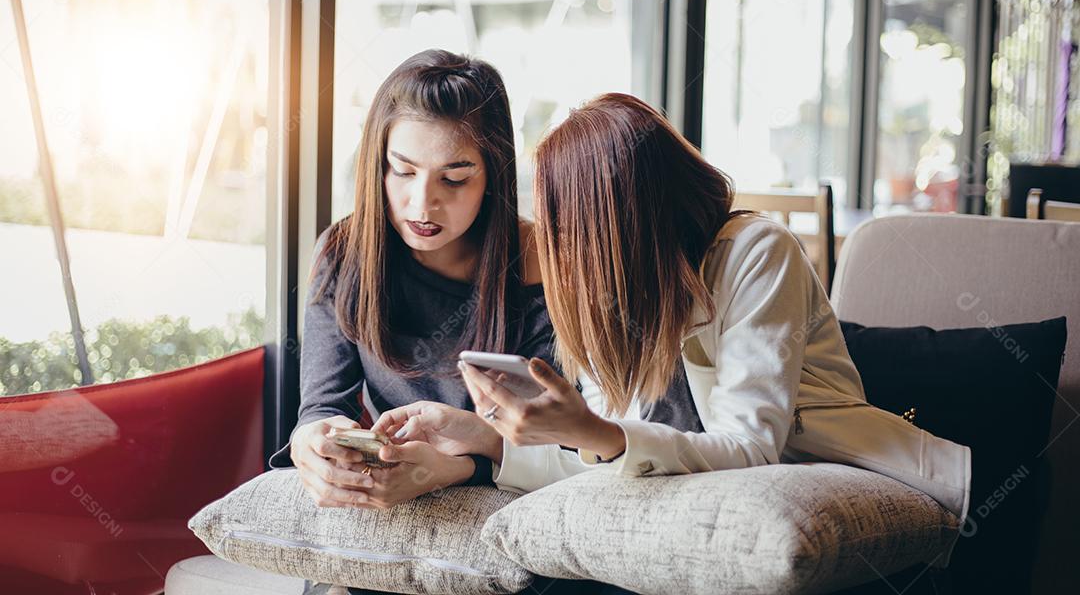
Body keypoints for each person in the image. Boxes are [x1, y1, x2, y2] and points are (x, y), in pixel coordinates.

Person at [374, 93, 971, 568]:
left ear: (613, 219)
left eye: (564, 222)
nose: (554, 245)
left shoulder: (757, 251)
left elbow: (752, 447)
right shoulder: (615, 295)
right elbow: (610, 457)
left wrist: (598, 432)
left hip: (842, 466)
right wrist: (480, 434)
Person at [267, 49, 556, 513]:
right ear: (377, 165)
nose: (423, 204)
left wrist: (457, 469)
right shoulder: (345, 252)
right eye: (402, 171)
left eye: (455, 179)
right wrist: (312, 445)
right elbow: (323, 406)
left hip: (515, 505)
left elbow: (558, 446)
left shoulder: (542, 264)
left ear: (494, 176)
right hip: (388, 499)